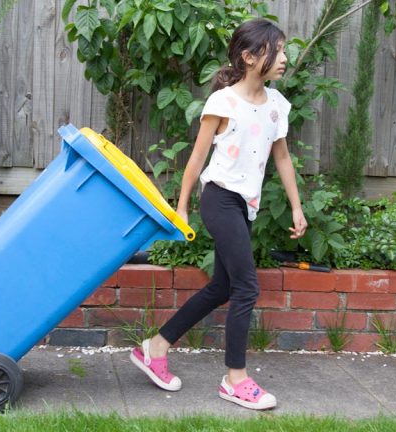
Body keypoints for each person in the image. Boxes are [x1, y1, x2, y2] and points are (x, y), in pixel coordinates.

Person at [130, 18, 307, 411]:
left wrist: (296, 206)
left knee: (223, 287)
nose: (284, 57)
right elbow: (196, 158)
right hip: (219, 199)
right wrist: (181, 207)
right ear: (248, 57)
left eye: (283, 49)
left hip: (244, 204)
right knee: (247, 287)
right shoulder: (223, 102)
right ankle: (235, 379)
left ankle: (154, 348)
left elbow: (282, 157)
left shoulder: (277, 105)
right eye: (276, 50)